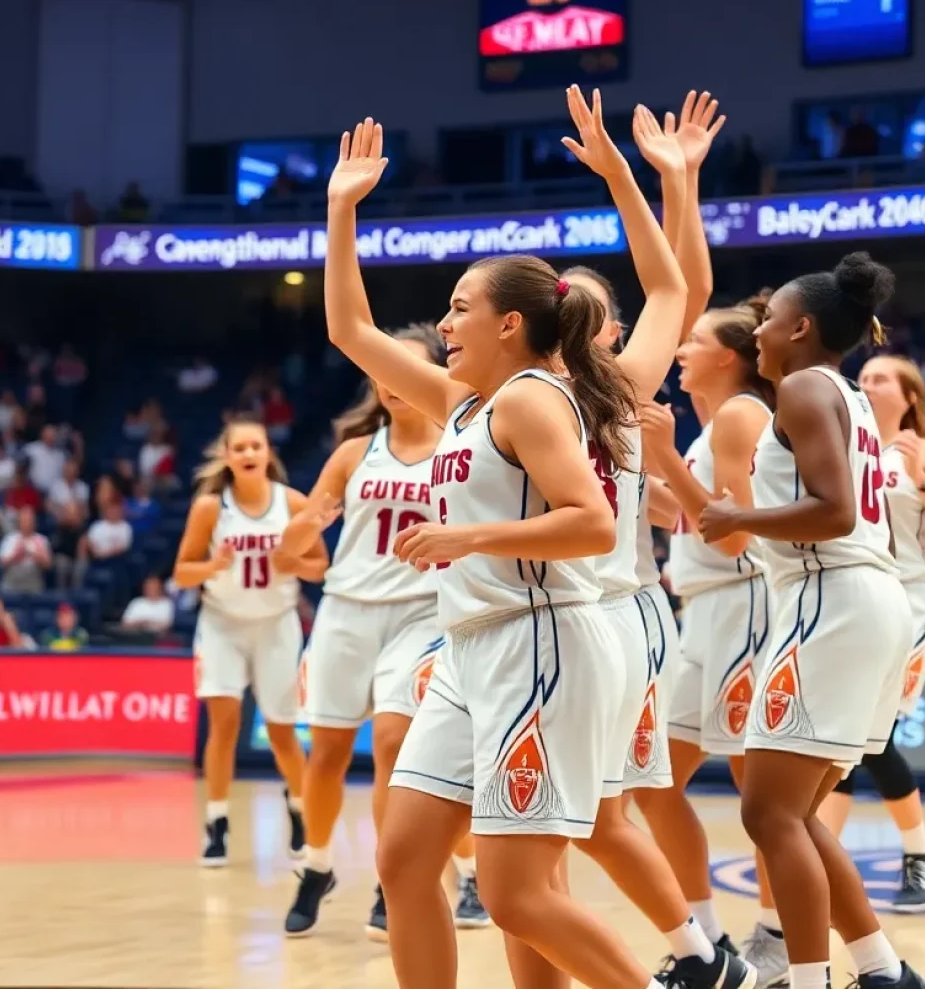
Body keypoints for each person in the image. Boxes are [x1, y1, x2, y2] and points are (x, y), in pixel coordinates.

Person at [324, 112, 751, 989]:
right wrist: (340, 212)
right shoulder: (477, 400)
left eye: (458, 308)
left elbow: (593, 523)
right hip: (472, 642)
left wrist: (465, 534)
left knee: (524, 892)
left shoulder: (535, 399)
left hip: (543, 635)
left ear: (511, 324)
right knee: (406, 861)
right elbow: (350, 330)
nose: (443, 322)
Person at [544, 88, 753, 989]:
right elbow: (681, 287)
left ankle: (700, 951)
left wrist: (665, 182)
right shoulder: (528, 401)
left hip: (611, 612)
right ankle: (700, 946)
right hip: (601, 616)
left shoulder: (612, 392)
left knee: (591, 815)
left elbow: (683, 286)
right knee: (608, 811)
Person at [699, 252, 925, 989]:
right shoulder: (845, 395)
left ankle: (808, 981)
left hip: (829, 599)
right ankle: (880, 968)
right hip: (866, 596)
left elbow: (832, 512)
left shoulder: (803, 385)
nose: (759, 332)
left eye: (768, 321)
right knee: (795, 814)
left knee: (769, 815)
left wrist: (742, 513)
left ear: (801, 328)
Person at [284, 324, 489, 940]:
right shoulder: (354, 452)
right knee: (327, 756)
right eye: (386, 366)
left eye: (409, 366)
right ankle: (317, 866)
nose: (393, 377)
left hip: (422, 613)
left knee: (396, 742)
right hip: (346, 609)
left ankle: (389, 877)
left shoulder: (462, 448)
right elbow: (302, 540)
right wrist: (297, 536)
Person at [639, 295, 783, 984]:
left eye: (691, 340)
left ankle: (779, 937)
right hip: (707, 613)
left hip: (744, 604)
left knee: (764, 797)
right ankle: (709, 942)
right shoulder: (712, 427)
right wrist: (645, 471)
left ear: (728, 356)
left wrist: (663, 454)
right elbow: (690, 517)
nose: (679, 350)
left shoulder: (738, 414)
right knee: (656, 781)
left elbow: (735, 537)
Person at [816, 355, 925, 909]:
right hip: (850, 597)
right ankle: (829, 857)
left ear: (909, 395)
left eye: (882, 377)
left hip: (906, 595)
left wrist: (924, 482)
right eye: (866, 376)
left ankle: (920, 853)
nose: (869, 382)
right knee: (845, 737)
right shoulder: (844, 445)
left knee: (873, 736)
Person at [172, 416, 329, 867]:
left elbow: (321, 567)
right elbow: (183, 573)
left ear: (268, 454)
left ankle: (301, 813)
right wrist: (213, 566)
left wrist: (291, 559)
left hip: (277, 624)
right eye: (238, 448)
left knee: (281, 732)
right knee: (223, 726)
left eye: (255, 447)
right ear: (227, 457)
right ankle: (217, 823)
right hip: (222, 624)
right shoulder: (209, 508)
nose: (247, 454)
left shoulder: (293, 503)